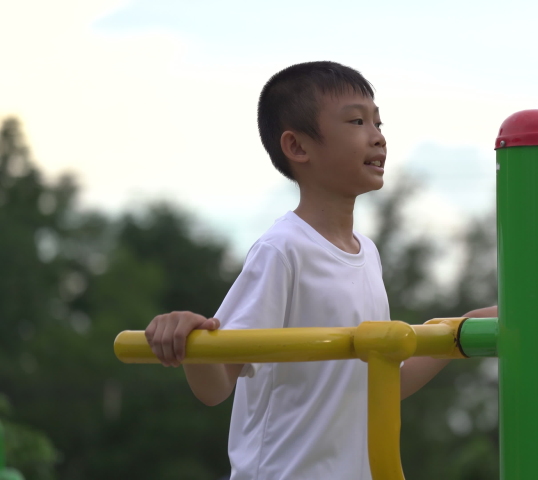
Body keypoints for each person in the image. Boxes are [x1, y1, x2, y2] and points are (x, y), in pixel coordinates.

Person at [144, 61, 497, 480]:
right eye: (356, 120)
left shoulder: (367, 253)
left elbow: (379, 386)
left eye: (379, 122)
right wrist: (191, 338)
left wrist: (459, 329)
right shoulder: (283, 250)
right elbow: (218, 384)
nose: (378, 136)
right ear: (297, 147)